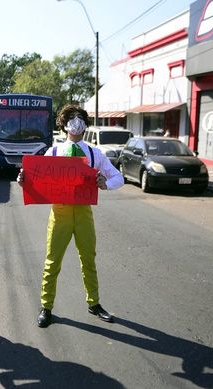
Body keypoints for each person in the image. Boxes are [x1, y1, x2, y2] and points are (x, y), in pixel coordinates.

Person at [17, 104, 124, 328]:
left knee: (88, 258)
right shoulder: (53, 152)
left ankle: (94, 303)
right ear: (64, 124)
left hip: (84, 212)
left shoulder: (95, 153)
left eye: (80, 118)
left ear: (85, 123)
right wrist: (23, 180)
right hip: (60, 212)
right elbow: (35, 179)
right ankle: (46, 307)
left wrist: (106, 184)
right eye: (71, 118)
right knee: (52, 260)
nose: (76, 122)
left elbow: (118, 177)